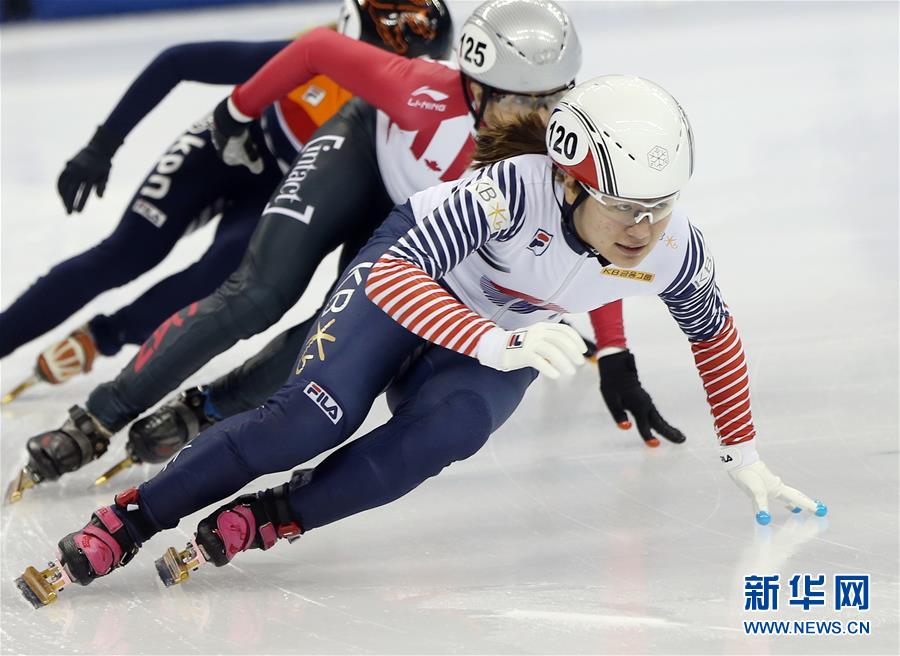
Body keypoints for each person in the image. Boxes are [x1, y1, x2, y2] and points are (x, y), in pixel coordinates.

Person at [15, 75, 826, 610]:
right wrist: (493, 339)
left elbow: (714, 335)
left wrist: (742, 452)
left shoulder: (677, 245)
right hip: (413, 285)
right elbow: (396, 281)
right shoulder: (511, 192)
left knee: (451, 430)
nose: (646, 230)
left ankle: (274, 516)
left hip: (498, 338)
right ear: (572, 181)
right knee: (309, 420)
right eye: (628, 208)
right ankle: (132, 516)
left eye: (661, 205)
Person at [10, 0, 684, 503]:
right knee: (257, 296)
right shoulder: (419, 91)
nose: (532, 119)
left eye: (550, 100)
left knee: (335, 332)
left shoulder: (557, 154)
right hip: (361, 155)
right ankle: (102, 412)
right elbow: (322, 54)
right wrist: (240, 111)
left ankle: (209, 407)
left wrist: (615, 351)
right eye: (513, 99)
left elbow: (587, 256)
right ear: (471, 85)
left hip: (418, 221)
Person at [0, 0, 453, 396]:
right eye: (378, 67)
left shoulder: (414, 107)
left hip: (285, 183)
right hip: (224, 150)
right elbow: (177, 63)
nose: (386, 85)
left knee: (220, 277)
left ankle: (105, 336)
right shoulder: (315, 52)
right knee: (124, 255)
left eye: (408, 77)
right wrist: (103, 144)